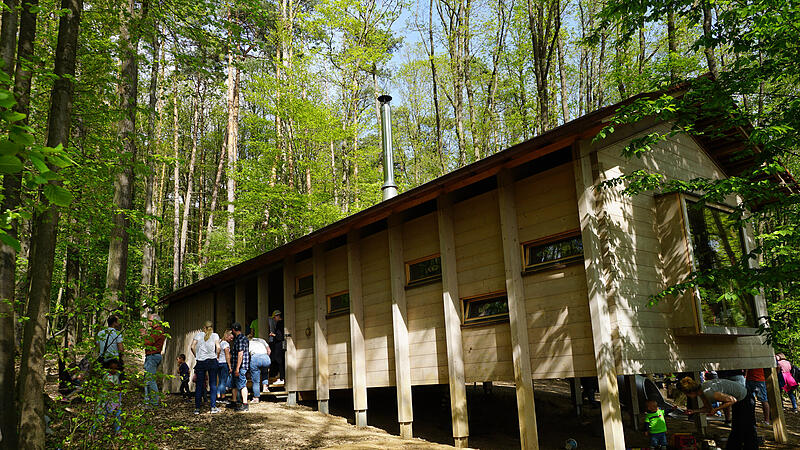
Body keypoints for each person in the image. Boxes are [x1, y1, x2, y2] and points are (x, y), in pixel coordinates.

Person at [678, 376, 757, 449]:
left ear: (690, 392)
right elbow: (708, 408)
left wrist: (716, 409)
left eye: (686, 394)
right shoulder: (701, 391)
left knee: (747, 428)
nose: (687, 396)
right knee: (737, 428)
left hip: (745, 398)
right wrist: (694, 411)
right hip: (739, 399)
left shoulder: (707, 392)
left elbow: (732, 400)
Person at [191, 320, 221, 414]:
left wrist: (197, 356)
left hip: (201, 361)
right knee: (213, 384)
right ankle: (213, 407)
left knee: (199, 385)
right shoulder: (215, 335)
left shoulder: (199, 335)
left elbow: (192, 347)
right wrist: (217, 356)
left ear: (204, 327)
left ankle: (197, 408)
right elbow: (218, 347)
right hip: (212, 361)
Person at [141, 313, 166, 406]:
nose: (148, 322)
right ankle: (148, 402)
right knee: (147, 380)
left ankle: (154, 403)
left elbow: (148, 343)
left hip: (153, 356)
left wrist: (143, 335)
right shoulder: (155, 331)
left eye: (150, 321)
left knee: (150, 380)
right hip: (151, 356)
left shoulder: (158, 331)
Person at [229, 322, 250, 412]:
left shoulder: (240, 339)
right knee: (234, 384)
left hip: (241, 366)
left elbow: (240, 354)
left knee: (242, 384)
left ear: (234, 330)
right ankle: (234, 402)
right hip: (237, 366)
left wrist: (237, 368)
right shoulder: (242, 338)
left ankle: (245, 404)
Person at [248, 327, 271, 403]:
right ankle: (265, 388)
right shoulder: (261, 340)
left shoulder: (248, 342)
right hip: (265, 357)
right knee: (265, 372)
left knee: (256, 380)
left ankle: (256, 398)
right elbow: (269, 351)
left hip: (255, 357)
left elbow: (246, 354)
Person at [268, 310, 285, 386]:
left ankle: (282, 378)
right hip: (279, 344)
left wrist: (273, 335)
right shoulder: (282, 323)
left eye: (274, 317)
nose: (274, 319)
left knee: (279, 361)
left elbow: (280, 336)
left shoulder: (280, 324)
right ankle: (281, 377)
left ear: (278, 316)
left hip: (279, 344)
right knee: (279, 360)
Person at [216, 330, 233, 402]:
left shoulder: (219, 342)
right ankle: (223, 397)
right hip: (224, 363)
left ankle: (218, 396)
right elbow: (227, 356)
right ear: (227, 336)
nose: (231, 340)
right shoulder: (226, 344)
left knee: (220, 381)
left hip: (218, 363)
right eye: (230, 338)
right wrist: (229, 366)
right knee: (223, 381)